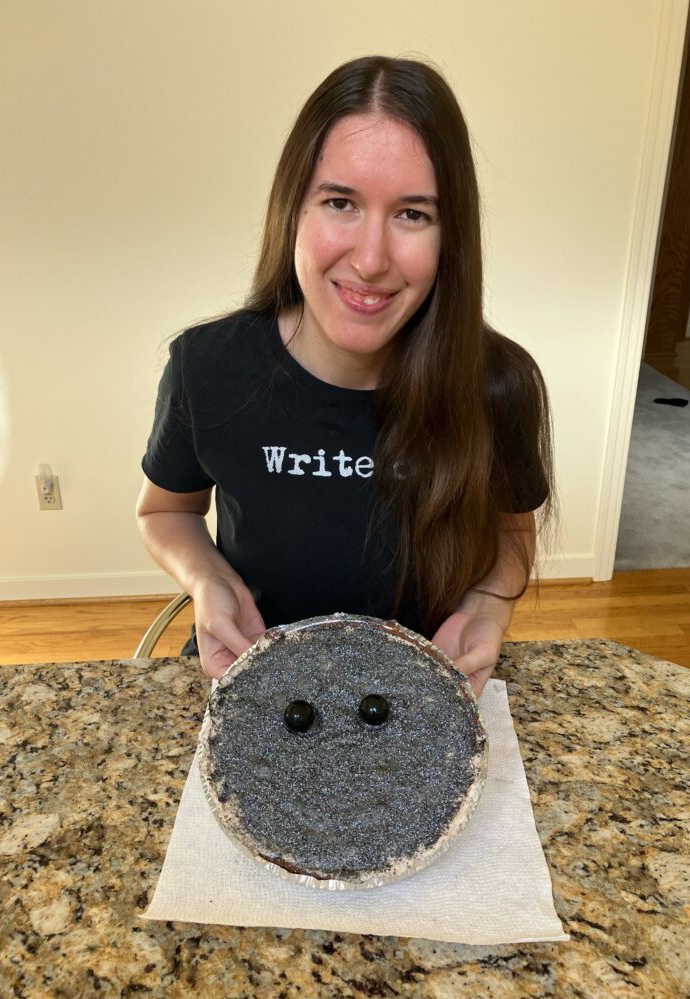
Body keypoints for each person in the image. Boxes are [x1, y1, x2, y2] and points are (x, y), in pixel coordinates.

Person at [136, 55, 554, 696]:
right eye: (340, 202)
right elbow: (165, 511)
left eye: (413, 214)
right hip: (254, 685)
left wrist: (488, 607)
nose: (370, 259)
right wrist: (209, 581)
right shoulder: (207, 368)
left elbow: (510, 528)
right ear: (292, 210)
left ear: (452, 236)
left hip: (417, 694)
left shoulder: (500, 384)